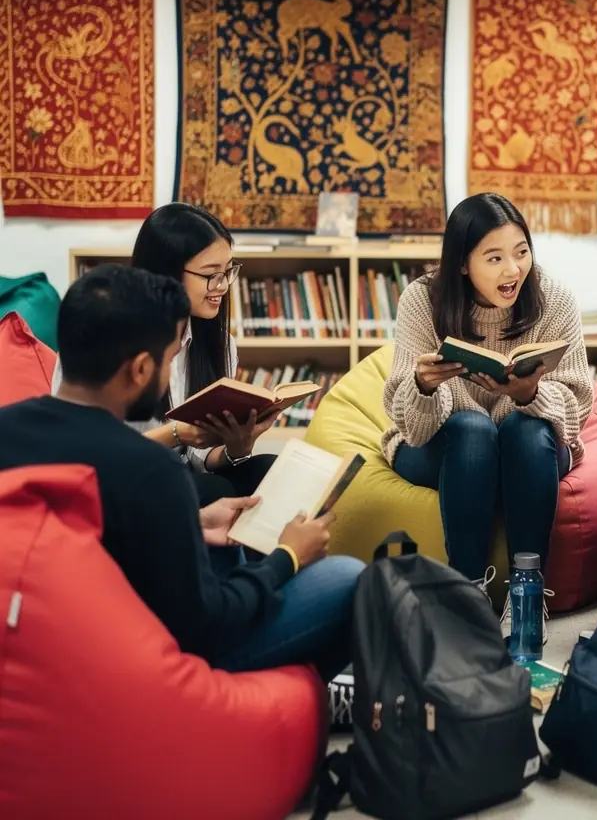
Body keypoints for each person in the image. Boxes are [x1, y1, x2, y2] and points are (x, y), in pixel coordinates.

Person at [1, 264, 363, 676]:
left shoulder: (7, 429)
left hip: (45, 638)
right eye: (170, 358)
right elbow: (207, 625)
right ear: (139, 369)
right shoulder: (150, 470)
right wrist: (288, 556)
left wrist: (192, 521)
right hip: (138, 660)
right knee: (346, 577)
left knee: (223, 551)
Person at [382, 193, 593, 615]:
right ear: (463, 263)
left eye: (521, 252)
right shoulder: (422, 301)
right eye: (494, 258)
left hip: (530, 447)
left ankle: (526, 595)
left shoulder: (554, 299)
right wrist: (424, 385)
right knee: (472, 430)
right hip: (441, 442)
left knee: (526, 431)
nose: (513, 269)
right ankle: (467, 597)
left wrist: (529, 395)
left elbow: (578, 407)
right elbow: (413, 428)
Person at [52, 203, 278, 505]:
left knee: (270, 470)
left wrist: (235, 447)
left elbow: (197, 459)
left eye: (227, 271)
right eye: (211, 274)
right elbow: (86, 451)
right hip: (122, 478)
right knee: (212, 491)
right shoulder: (107, 335)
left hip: (180, 474)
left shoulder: (218, 343)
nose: (222, 286)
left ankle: (278, 550)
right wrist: (175, 434)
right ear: (167, 272)